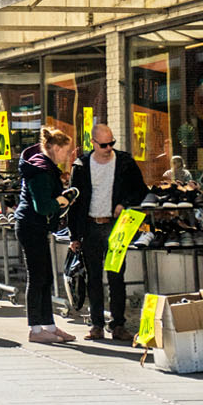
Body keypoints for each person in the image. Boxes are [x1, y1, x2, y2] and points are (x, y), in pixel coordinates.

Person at [69, 124, 147, 341]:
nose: (108, 148)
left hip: (116, 225)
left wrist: (124, 203)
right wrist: (73, 236)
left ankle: (118, 324)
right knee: (93, 277)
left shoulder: (124, 162)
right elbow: (73, 202)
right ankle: (96, 324)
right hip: (90, 225)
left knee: (116, 276)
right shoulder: (82, 165)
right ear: (93, 142)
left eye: (111, 143)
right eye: (103, 144)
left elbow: (140, 190)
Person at [17, 127, 78, 344]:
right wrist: (61, 201)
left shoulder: (42, 166)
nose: (68, 155)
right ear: (54, 148)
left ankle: (49, 326)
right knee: (37, 277)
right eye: (66, 150)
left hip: (34, 227)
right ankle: (35, 329)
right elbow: (42, 206)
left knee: (45, 277)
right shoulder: (41, 169)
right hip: (31, 226)